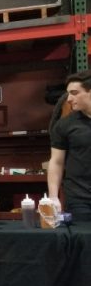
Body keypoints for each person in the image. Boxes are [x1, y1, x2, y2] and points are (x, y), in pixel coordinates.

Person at [48, 70, 91, 221]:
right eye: (68, 93)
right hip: (80, 199)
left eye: (74, 93)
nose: (69, 99)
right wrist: (53, 197)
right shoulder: (64, 125)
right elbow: (56, 162)